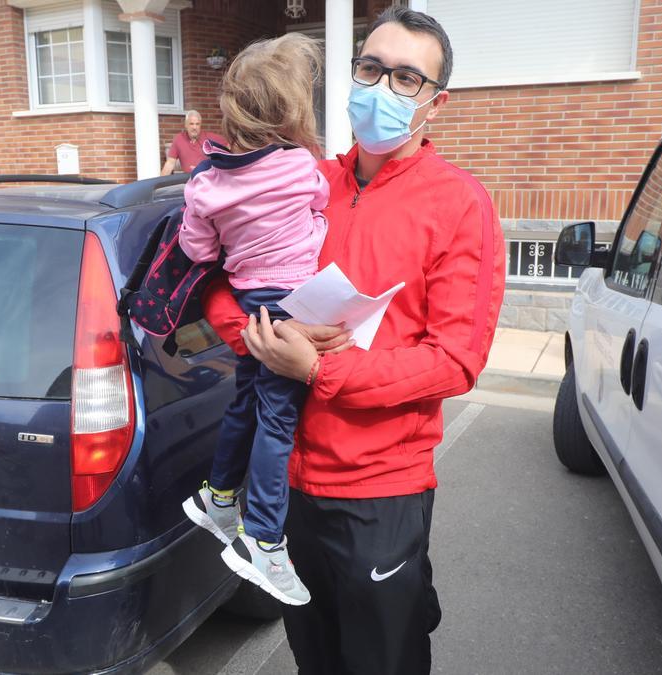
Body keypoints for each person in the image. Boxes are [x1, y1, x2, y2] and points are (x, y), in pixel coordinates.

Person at [199, 7, 506, 674]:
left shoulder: (459, 203)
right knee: (316, 658)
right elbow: (220, 285)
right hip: (286, 486)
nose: (381, 87)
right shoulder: (302, 179)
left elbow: (455, 360)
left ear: (436, 102)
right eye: (370, 68)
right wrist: (261, 336)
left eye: (405, 77)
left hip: (380, 494)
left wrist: (318, 371)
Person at [178, 33, 329, 607]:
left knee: (247, 401)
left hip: (247, 302)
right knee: (277, 420)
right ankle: (261, 537)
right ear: (293, 110)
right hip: (292, 307)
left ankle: (217, 497)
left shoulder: (206, 185)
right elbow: (320, 211)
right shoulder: (300, 166)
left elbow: (196, 251)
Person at [161, 110, 225, 175]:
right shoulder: (179, 139)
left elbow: (229, 146)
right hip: (187, 179)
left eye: (197, 124)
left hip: (206, 178)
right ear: (186, 125)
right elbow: (170, 163)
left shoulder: (210, 137)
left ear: (200, 125)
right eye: (191, 124)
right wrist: (160, 182)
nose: (194, 127)